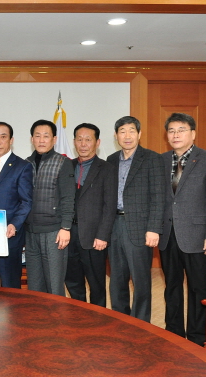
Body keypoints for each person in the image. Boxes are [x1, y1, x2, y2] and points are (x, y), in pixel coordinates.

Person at [159, 113, 206, 346]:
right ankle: (174, 332)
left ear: (193, 133)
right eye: (171, 131)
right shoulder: (161, 160)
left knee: (198, 288)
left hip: (198, 236)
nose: (175, 135)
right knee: (171, 286)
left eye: (181, 130)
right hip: (168, 235)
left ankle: (197, 338)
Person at [107, 116, 164, 322]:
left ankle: (140, 323)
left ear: (139, 134)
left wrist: (154, 228)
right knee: (117, 279)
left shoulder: (152, 158)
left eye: (132, 131)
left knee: (140, 280)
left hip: (140, 228)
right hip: (114, 225)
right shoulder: (111, 160)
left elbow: (158, 196)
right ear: (116, 136)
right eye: (122, 131)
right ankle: (120, 319)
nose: (127, 135)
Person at [65, 123, 117, 306]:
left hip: (94, 237)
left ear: (97, 142)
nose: (83, 144)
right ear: (74, 142)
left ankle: (98, 318)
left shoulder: (107, 168)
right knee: (72, 282)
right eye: (79, 139)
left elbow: (110, 205)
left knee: (96, 285)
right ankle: (79, 315)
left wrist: (103, 235)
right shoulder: (67, 166)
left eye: (88, 139)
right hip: (68, 235)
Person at [25, 119, 75, 295]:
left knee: (54, 285)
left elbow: (68, 197)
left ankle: (58, 314)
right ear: (32, 139)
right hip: (30, 232)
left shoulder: (63, 162)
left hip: (54, 233)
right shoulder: (26, 164)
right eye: (37, 136)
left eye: (46, 136)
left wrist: (65, 227)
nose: (41, 140)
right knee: (34, 286)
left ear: (54, 139)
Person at [0, 122, 33, 288]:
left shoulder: (23, 166)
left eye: (3, 137)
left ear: (11, 140)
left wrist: (14, 224)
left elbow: (26, 201)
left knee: (10, 284)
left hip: (9, 234)